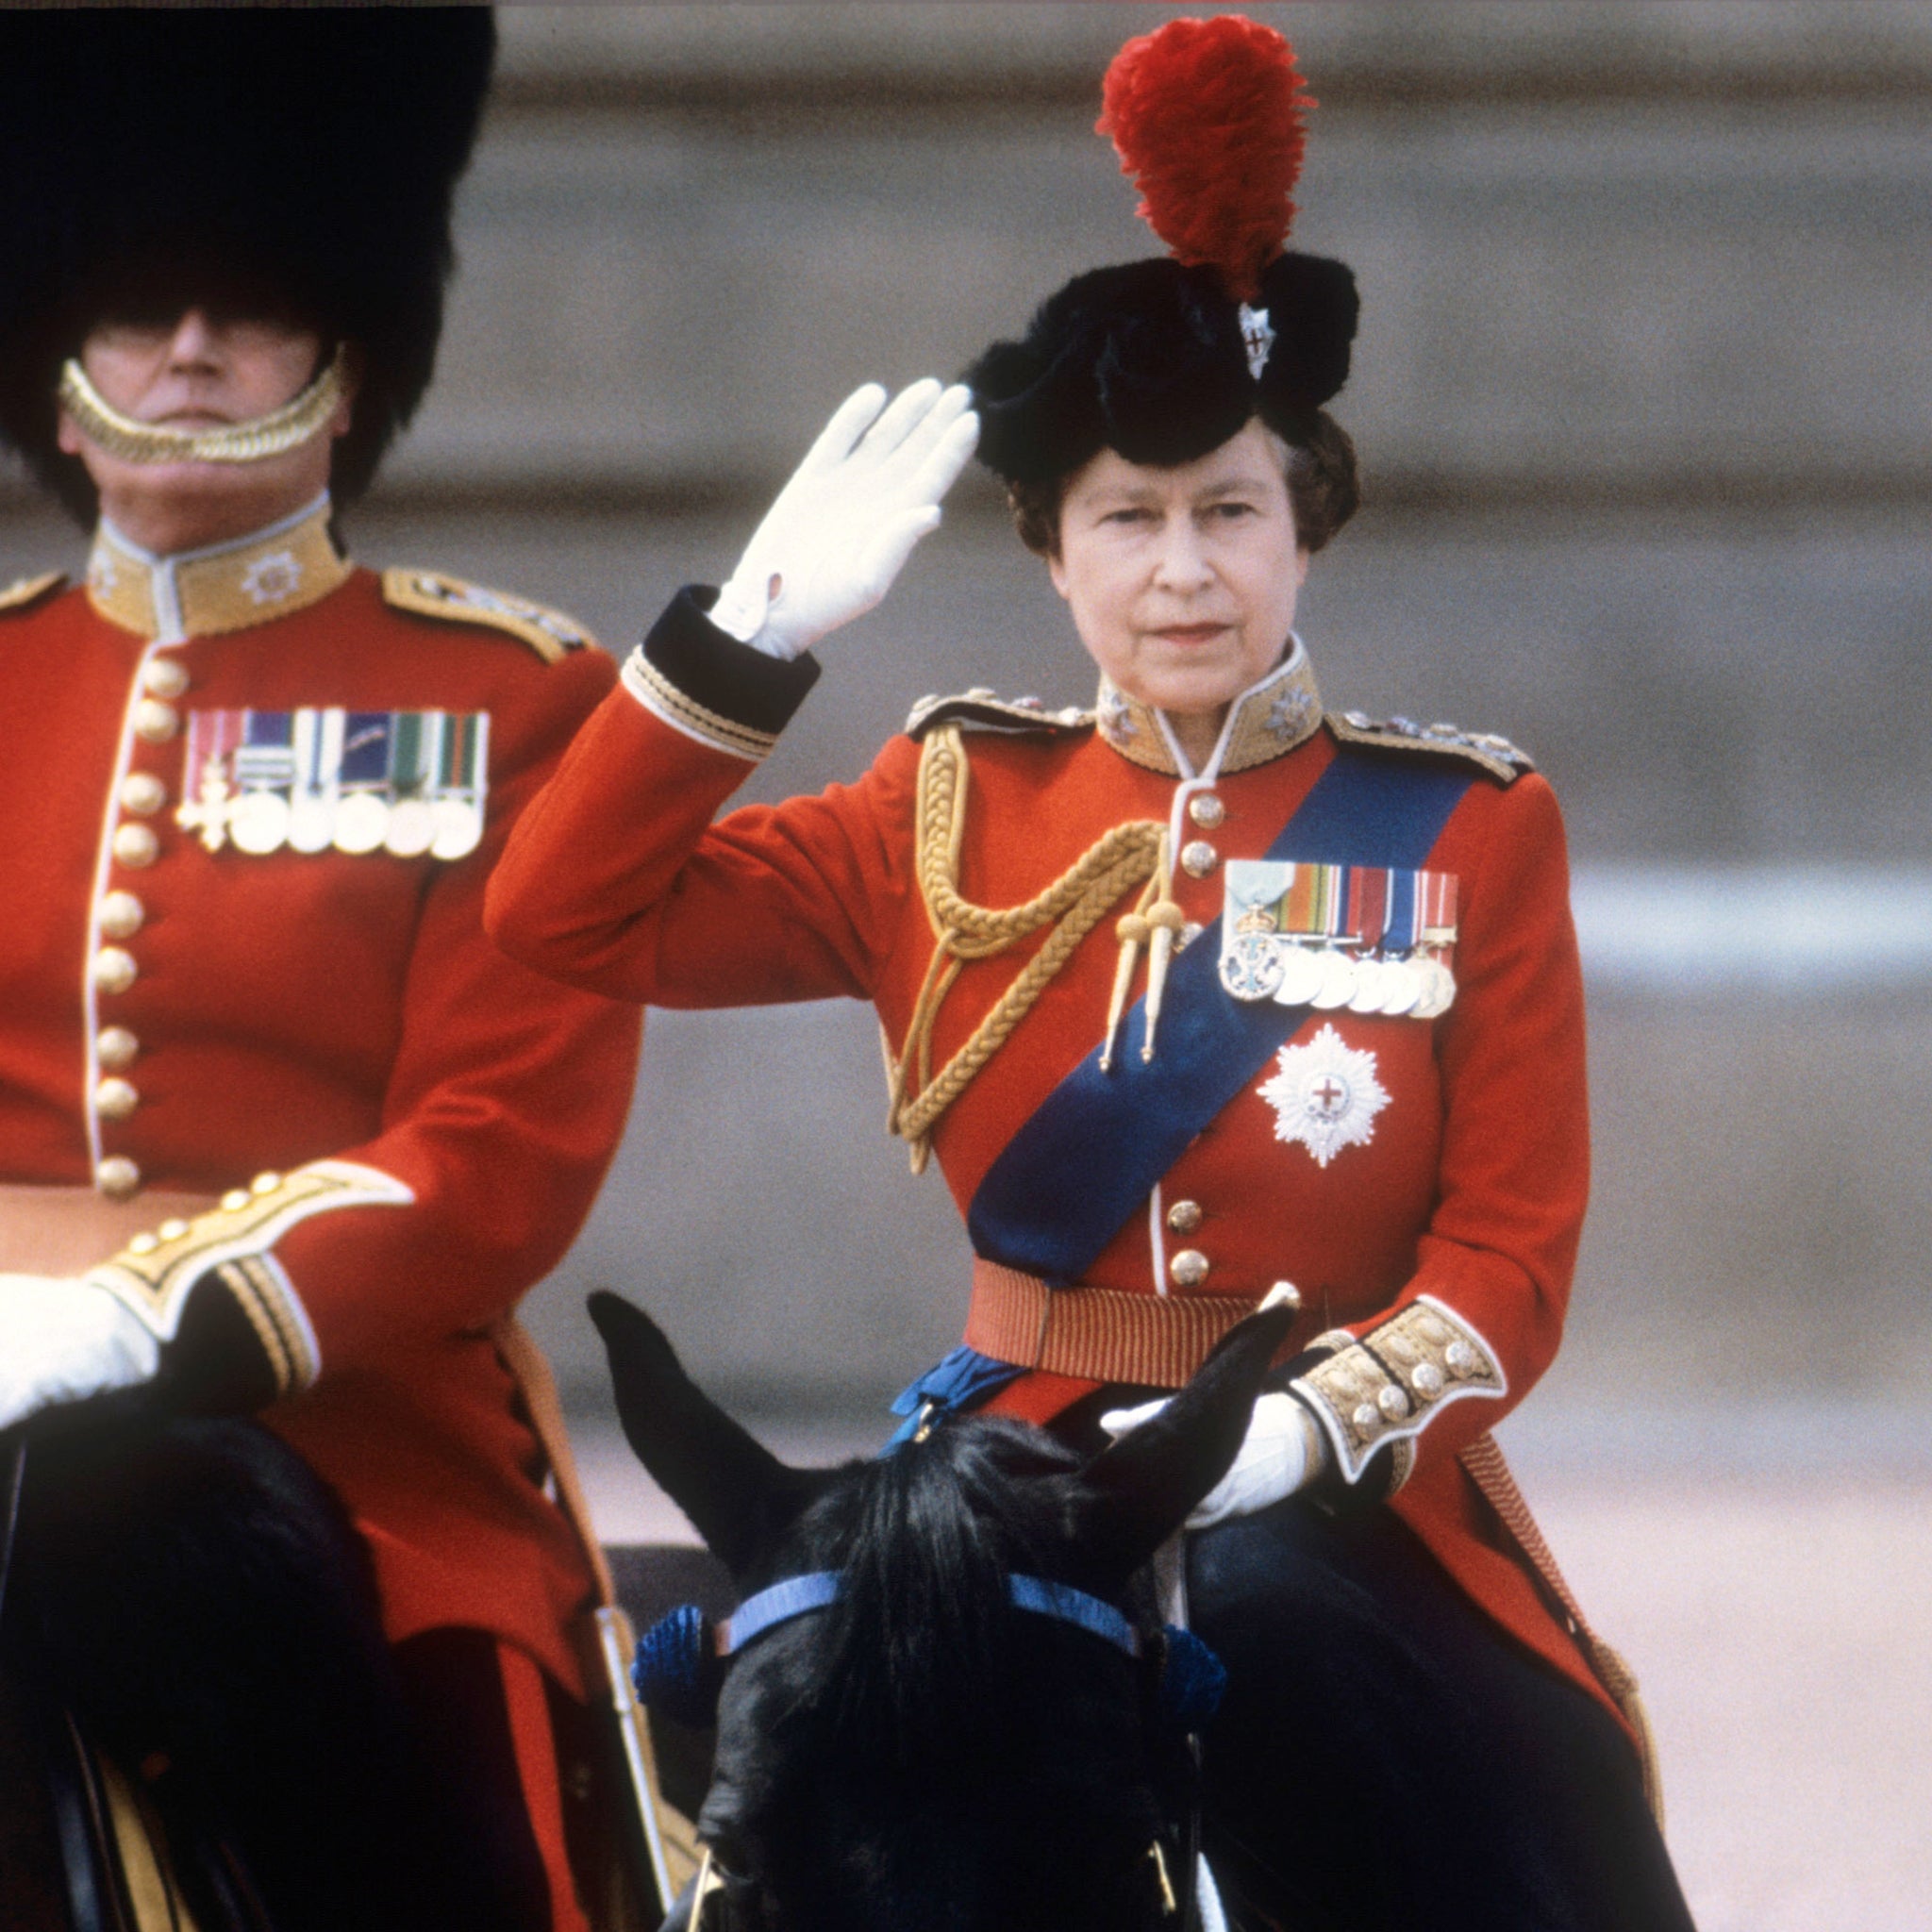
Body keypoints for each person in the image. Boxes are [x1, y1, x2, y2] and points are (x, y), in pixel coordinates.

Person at [489, 17, 1693, 1929]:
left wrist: (1306, 1425)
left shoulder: (1466, 825)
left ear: (1308, 525)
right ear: (1052, 556)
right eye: (1125, 519)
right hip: (1006, 1459)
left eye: (1230, 508)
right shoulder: (945, 798)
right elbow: (557, 919)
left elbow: (1510, 1261)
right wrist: (745, 643)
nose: (1183, 571)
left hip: (1348, 1482)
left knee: (1526, 1793)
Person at [0, 13, 643, 1932]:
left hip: (339, 1409)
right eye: (131, 302)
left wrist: (156, 1320)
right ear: (59, 368)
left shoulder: (509, 698)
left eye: (252, 304)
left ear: (346, 362)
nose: (189, 347)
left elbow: (497, 1144)